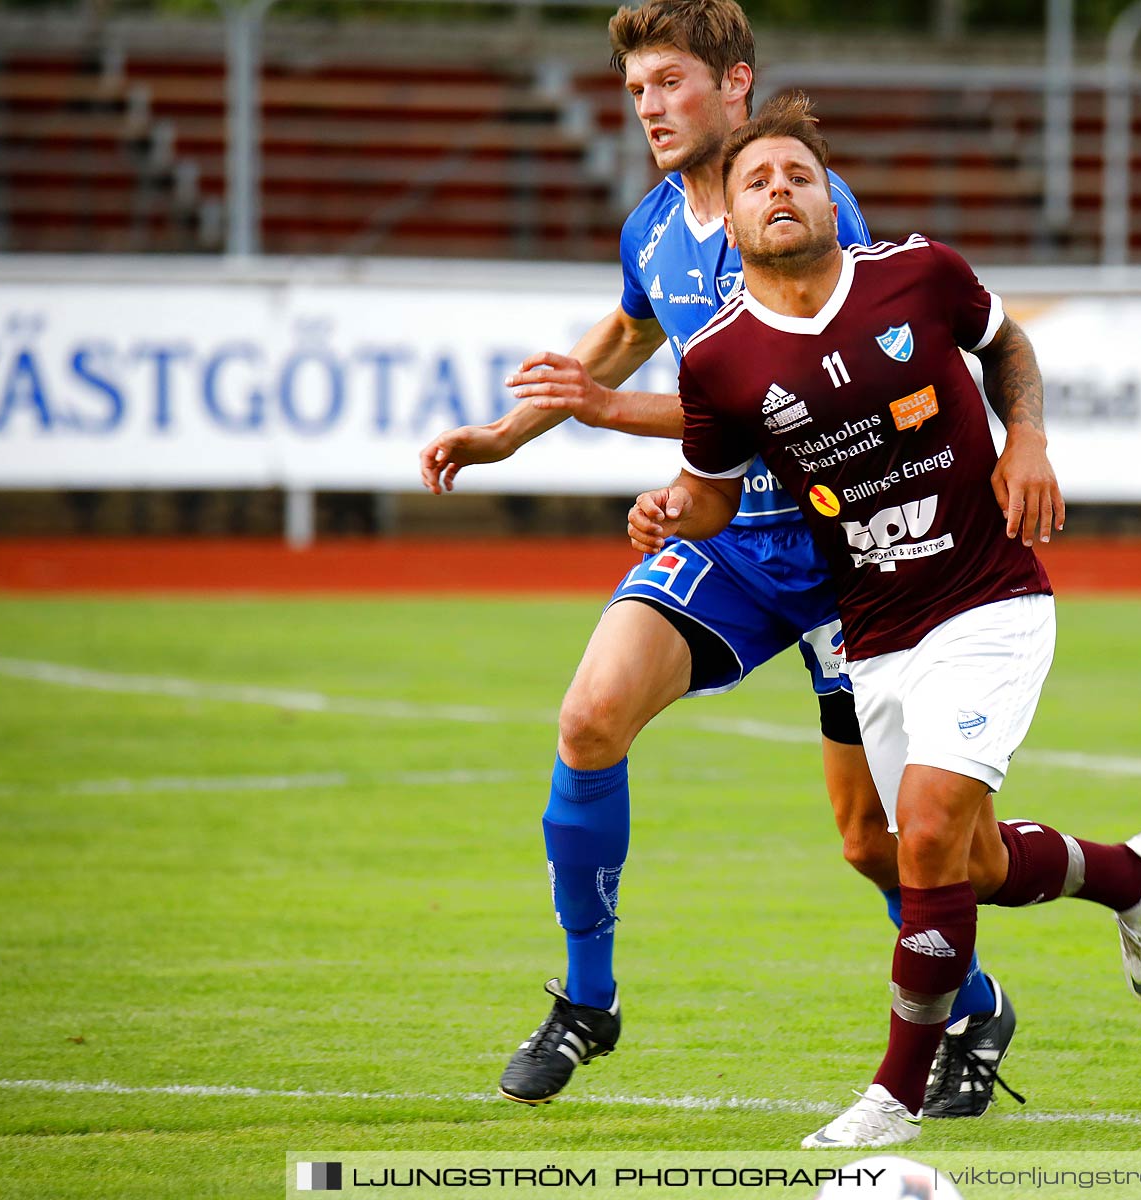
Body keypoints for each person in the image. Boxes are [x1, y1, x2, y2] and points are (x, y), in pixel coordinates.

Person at [415, 0, 1025, 1117]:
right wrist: (508, 433)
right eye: (637, 89)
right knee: (589, 717)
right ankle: (586, 1002)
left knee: (869, 843)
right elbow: (634, 331)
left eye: (671, 86)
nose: (649, 107)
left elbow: (778, 386)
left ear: (735, 88)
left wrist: (610, 418)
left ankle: (973, 999)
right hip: (730, 545)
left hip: (849, 552)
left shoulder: (797, 202)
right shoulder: (650, 225)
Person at [594, 91, 1141, 1149]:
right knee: (964, 864)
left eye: (800, 176)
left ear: (831, 198)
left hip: (990, 599)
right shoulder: (721, 364)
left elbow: (1008, 350)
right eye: (759, 180)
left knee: (921, 837)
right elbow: (714, 494)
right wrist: (667, 508)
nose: (780, 189)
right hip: (874, 629)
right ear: (728, 225)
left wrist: (1028, 441)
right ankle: (1130, 875)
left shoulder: (918, 273)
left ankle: (894, 1098)